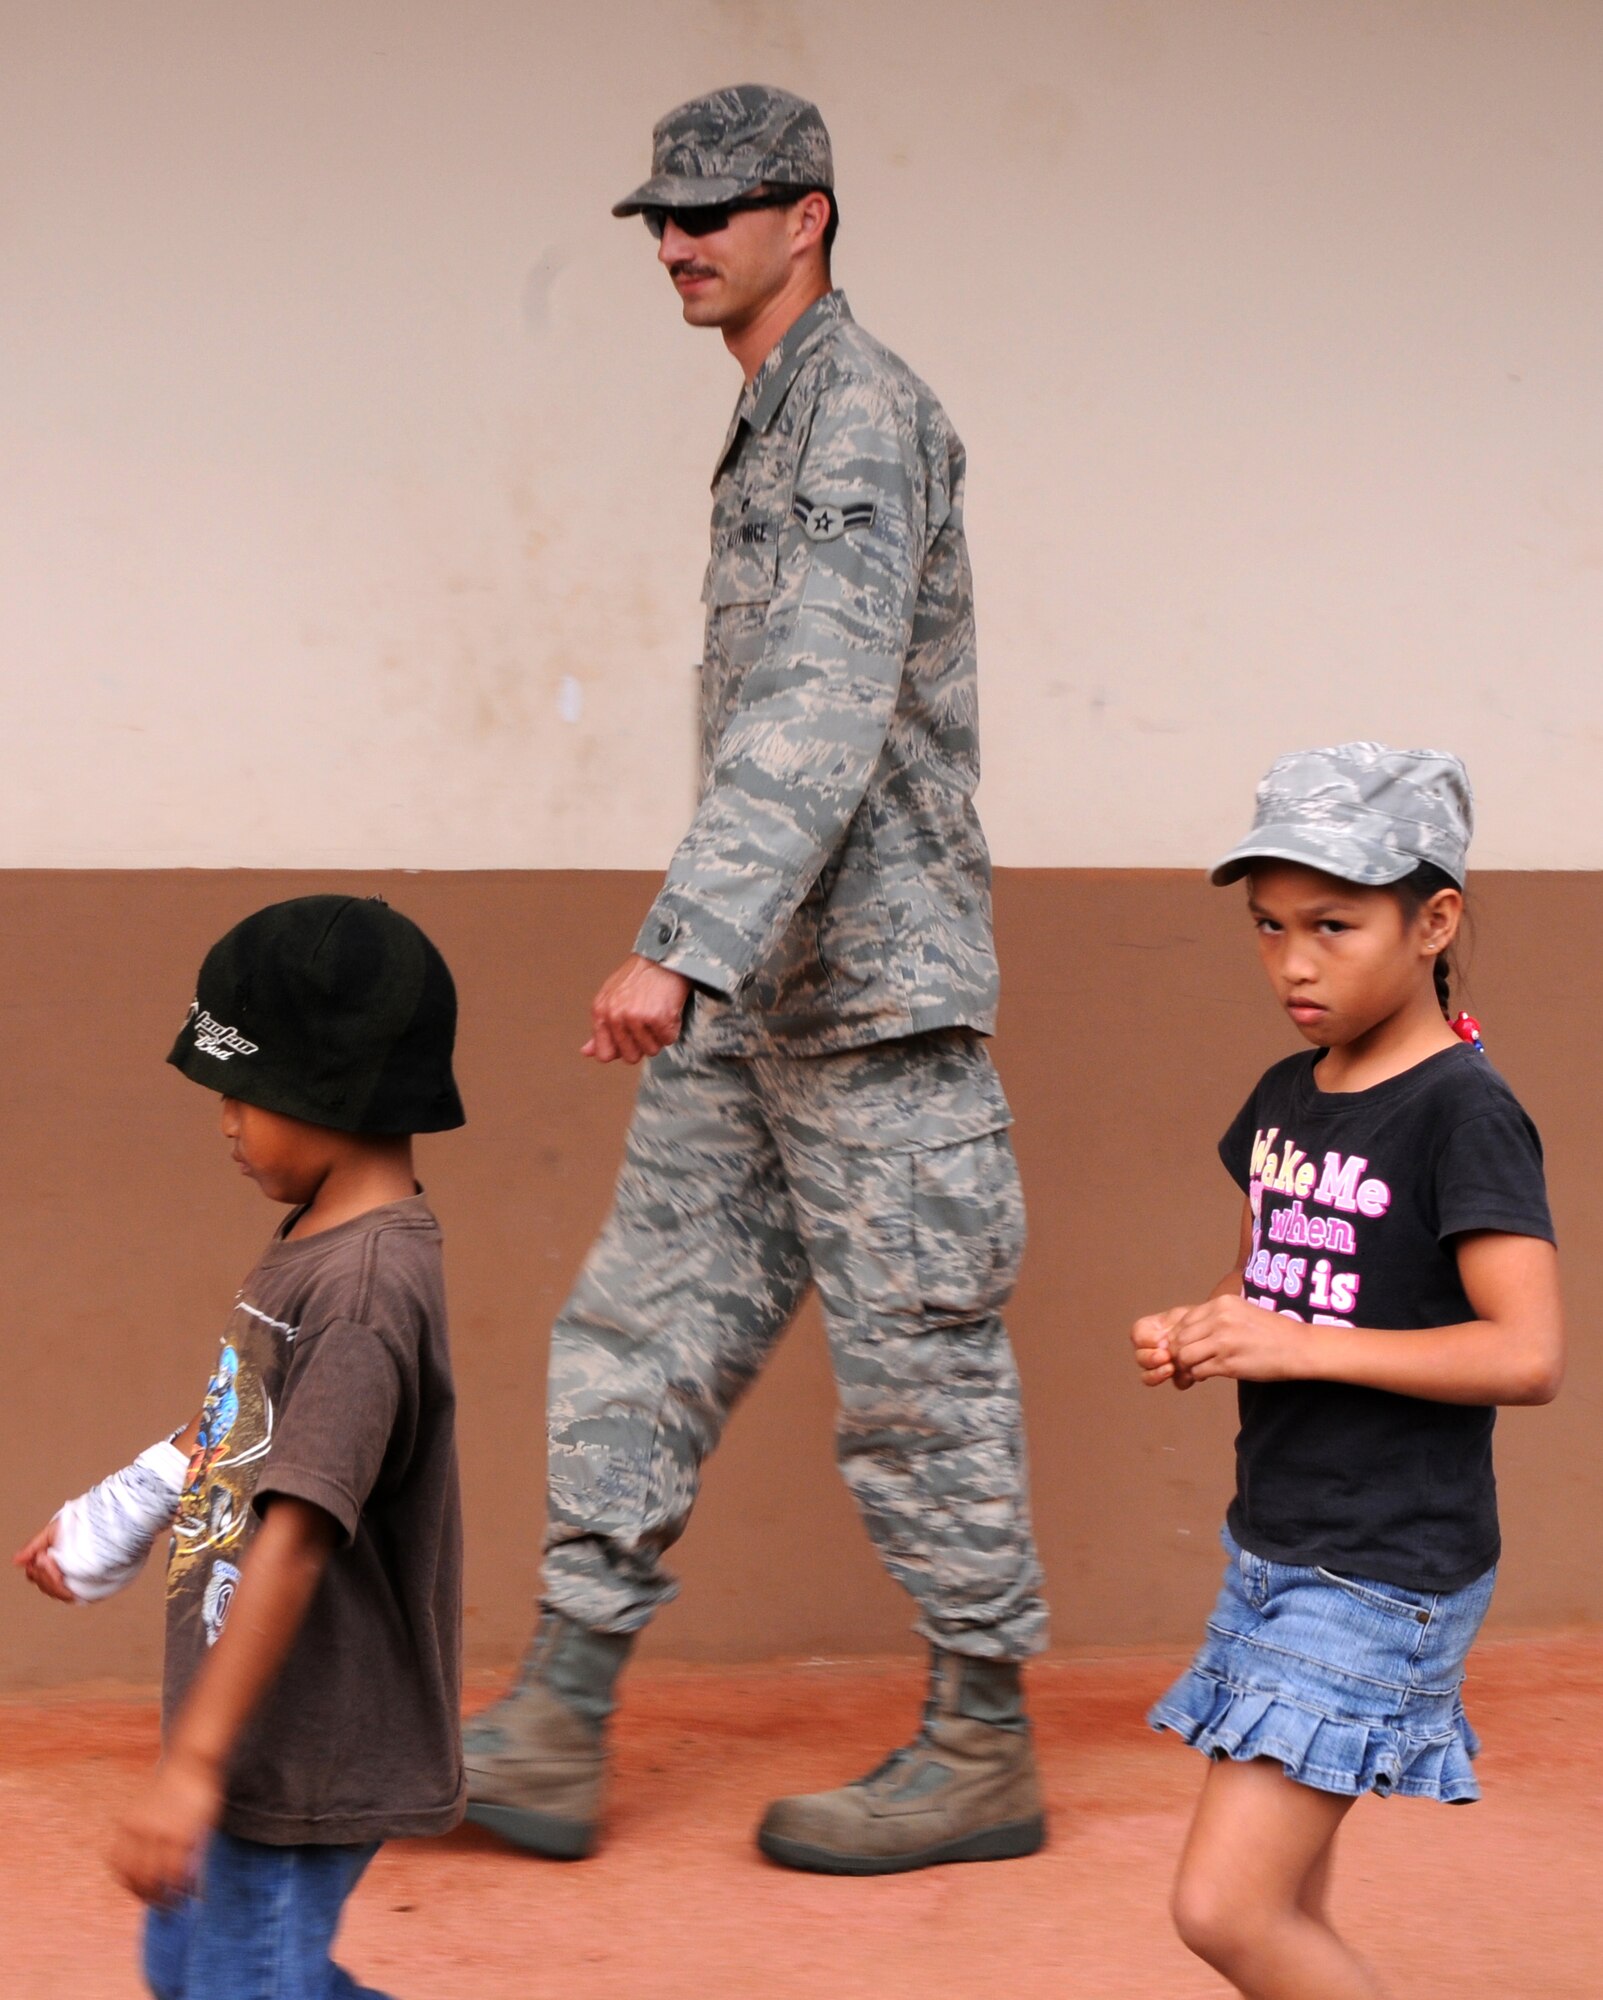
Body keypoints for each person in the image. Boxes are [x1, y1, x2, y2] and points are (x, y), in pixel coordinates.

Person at [464, 83, 1049, 1875]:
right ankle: (558, 1718)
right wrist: (715, 962)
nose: (677, 240)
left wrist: (679, 941)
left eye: (715, 211)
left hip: (864, 995)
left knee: (918, 1374)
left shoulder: (858, 413)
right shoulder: (770, 416)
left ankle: (979, 1752)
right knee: (639, 1322)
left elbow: (821, 699)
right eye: (661, 214)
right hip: (762, 1000)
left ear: (810, 218)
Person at [1131, 744, 1564, 2000]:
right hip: (1275, 1542)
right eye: (1267, 927)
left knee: (1224, 1906)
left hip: (1381, 1568)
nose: (1293, 962)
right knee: (1287, 1899)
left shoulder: (1463, 1112)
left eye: (1332, 923)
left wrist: (1294, 1344)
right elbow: (1267, 1270)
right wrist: (1204, 1326)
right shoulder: (1286, 1093)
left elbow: (1527, 1353)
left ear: (1433, 921)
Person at [15, 894, 467, 2000]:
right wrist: (129, 1500)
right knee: (196, 1964)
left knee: (241, 1982)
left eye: (242, 1091)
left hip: (309, 1738)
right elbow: (250, 1421)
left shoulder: (362, 1292)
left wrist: (195, 1766)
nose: (224, 1119)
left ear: (332, 1090)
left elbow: (299, 1534)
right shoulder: (313, 1242)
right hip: (264, 1724)